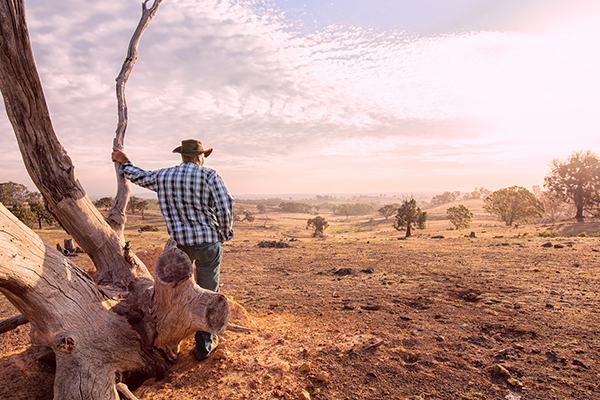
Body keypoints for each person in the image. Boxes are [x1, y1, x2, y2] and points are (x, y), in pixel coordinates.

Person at [111, 139, 234, 360]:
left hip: (181, 247)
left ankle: (172, 335)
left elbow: (138, 176)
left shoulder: (164, 176)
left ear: (182, 156)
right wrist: (224, 233)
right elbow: (226, 205)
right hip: (208, 243)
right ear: (199, 157)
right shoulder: (209, 176)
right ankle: (204, 346)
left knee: (179, 293)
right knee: (208, 290)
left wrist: (125, 162)